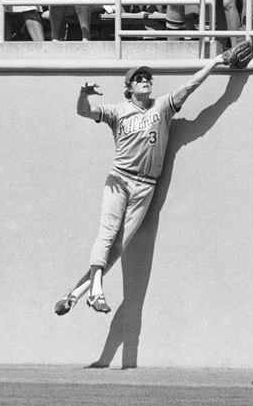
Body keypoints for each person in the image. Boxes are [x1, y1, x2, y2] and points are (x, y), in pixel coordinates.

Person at [54, 56, 228, 316]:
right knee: (107, 232)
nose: (145, 81)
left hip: (145, 187)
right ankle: (96, 292)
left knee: (118, 247)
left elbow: (191, 86)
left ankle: (76, 294)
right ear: (129, 88)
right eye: (139, 78)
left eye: (148, 78)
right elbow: (83, 111)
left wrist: (215, 62)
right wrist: (83, 94)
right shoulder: (118, 111)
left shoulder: (161, 107)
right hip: (120, 180)